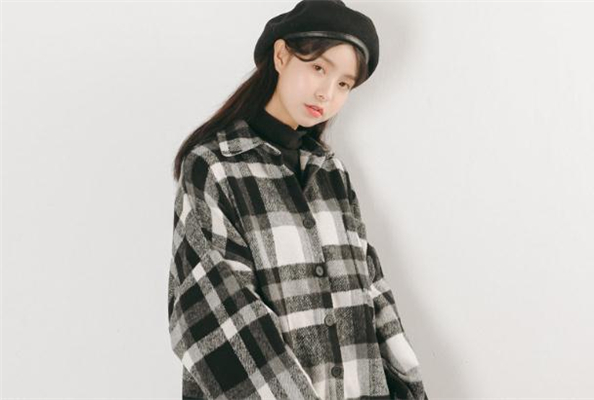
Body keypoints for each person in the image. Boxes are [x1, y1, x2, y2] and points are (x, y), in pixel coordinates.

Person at [167, 1, 429, 399]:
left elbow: (371, 291)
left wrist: (410, 389)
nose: (327, 93)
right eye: (319, 68)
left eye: (344, 84)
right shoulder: (215, 166)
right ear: (281, 55)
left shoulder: (330, 172)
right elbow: (212, 313)